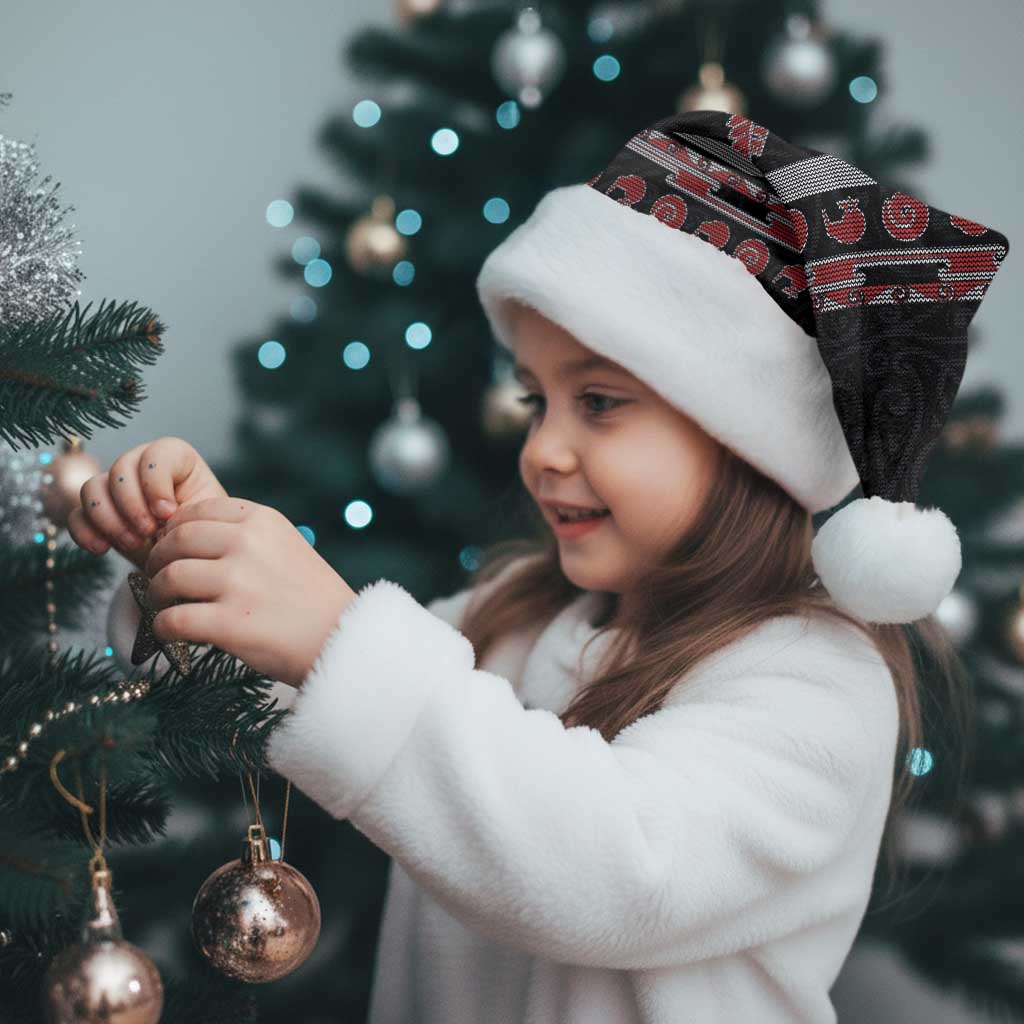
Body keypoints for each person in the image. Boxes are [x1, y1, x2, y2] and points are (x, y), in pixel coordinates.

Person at [71, 110, 1010, 1023]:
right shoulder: (515, 617)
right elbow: (307, 692)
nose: (543, 450)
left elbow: (615, 870)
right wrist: (190, 565)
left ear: (747, 441)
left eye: (598, 403)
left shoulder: (817, 683)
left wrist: (335, 637)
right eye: (535, 402)